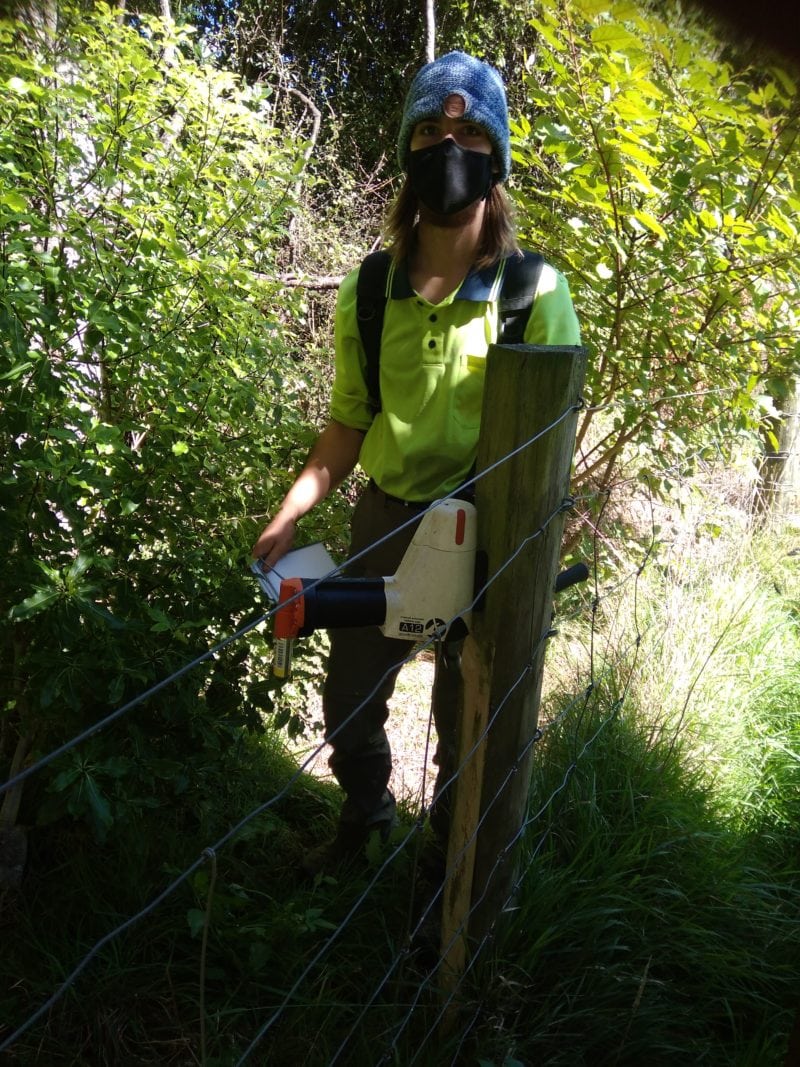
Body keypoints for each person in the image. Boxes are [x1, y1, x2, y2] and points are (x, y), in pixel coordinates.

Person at [251, 51, 581, 873]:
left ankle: (451, 866)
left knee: (468, 714)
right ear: (409, 152)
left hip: (490, 535)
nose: (450, 146)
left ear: (495, 156)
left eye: (470, 132)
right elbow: (346, 427)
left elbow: (548, 451)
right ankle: (365, 819)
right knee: (349, 700)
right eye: (431, 130)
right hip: (386, 519)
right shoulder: (372, 290)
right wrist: (292, 511)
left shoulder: (533, 294)